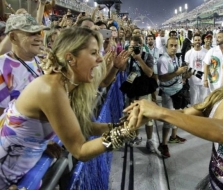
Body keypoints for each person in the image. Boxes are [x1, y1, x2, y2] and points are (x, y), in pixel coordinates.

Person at [125, 39, 223, 189]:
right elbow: (183, 113)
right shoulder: (220, 96)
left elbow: (222, 131)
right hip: (214, 181)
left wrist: (160, 111)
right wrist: (143, 117)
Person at [0, 27, 134, 189]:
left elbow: (82, 128)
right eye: (93, 53)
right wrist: (125, 132)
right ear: (70, 58)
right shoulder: (51, 90)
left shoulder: (65, 86)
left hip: (16, 175)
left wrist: (120, 127)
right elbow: (80, 151)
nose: (100, 59)